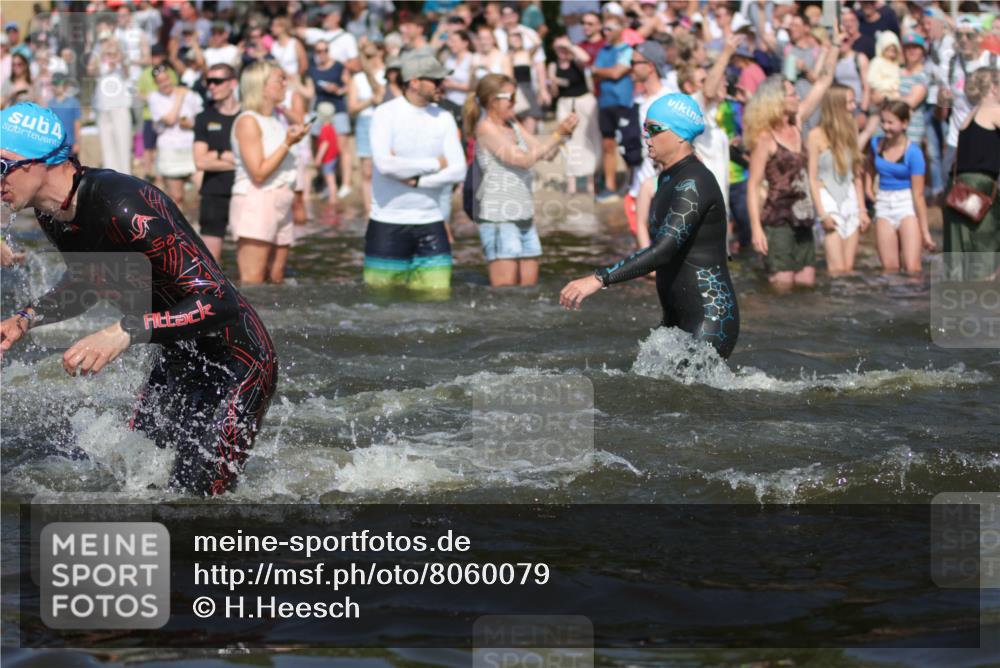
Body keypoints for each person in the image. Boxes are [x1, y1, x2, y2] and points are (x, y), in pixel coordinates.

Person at [0, 102, 276, 497]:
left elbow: (219, 299)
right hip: (176, 355)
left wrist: (124, 331)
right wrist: (25, 318)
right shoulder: (52, 214)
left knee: (197, 507)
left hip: (237, 362)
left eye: (0, 166)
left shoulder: (124, 205)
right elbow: (92, 283)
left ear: (38, 162)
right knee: (140, 485)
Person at [559, 93, 739, 359]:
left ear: (679, 134)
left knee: (690, 398)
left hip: (710, 319)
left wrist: (600, 278)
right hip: (675, 318)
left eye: (654, 129)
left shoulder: (694, 182)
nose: (646, 136)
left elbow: (664, 250)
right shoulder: (668, 177)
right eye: (645, 128)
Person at [464, 74, 578, 287]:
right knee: (506, 294)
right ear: (492, 100)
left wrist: (564, 133)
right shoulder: (485, 128)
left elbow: (546, 154)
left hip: (523, 215)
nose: (516, 102)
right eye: (511, 97)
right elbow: (523, 160)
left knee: (528, 292)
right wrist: (556, 134)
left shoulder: (513, 124)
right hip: (498, 218)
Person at [366, 54, 466, 293]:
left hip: (431, 221)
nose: (443, 85)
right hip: (387, 221)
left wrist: (418, 181)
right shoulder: (385, 113)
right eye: (436, 80)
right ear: (413, 82)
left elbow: (459, 169)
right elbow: (385, 165)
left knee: (437, 299)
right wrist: (436, 163)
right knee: (380, 301)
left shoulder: (443, 117)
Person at [746, 43, 837, 290]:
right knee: (782, 284)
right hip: (778, 220)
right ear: (776, 100)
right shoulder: (765, 138)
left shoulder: (797, 123)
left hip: (805, 217)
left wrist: (835, 44)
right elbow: (753, 186)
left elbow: (823, 83)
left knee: (807, 283)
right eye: (792, 94)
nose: (798, 97)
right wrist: (756, 229)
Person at [230, 61, 309, 284]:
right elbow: (259, 172)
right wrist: (288, 143)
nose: (285, 84)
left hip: (282, 199)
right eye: (279, 80)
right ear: (262, 86)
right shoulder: (248, 121)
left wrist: (293, 140)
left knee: (276, 279)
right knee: (253, 281)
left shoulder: (274, 120)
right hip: (257, 200)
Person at [865, 99, 934, 274]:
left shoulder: (914, 153)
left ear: (904, 124)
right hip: (883, 203)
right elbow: (869, 167)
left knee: (912, 268)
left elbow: (918, 195)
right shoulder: (875, 144)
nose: (885, 127)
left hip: (906, 203)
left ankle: (912, 300)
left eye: (890, 122)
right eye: (883, 121)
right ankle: (889, 301)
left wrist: (925, 233)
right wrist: (868, 188)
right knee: (889, 269)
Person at [807, 84, 870, 275]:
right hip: (828, 201)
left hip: (850, 199)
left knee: (848, 270)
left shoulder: (852, 128)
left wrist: (862, 210)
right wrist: (822, 214)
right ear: (836, 105)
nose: (854, 106)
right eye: (850, 102)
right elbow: (811, 177)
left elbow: (857, 174)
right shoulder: (815, 135)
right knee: (836, 270)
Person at [943, 67, 1000, 256]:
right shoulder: (993, 110)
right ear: (993, 87)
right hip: (980, 188)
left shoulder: (971, 114)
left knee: (962, 253)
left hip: (959, 190)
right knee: (985, 247)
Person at [193, 63, 239, 262]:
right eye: (208, 82)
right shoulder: (204, 118)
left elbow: (256, 160)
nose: (211, 86)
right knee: (211, 263)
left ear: (232, 83)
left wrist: (216, 155)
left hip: (244, 191)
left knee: (251, 265)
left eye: (217, 81)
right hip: (213, 192)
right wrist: (232, 157)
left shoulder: (246, 116)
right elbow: (200, 161)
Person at [625, 41, 670, 237]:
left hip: (659, 192)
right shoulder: (637, 100)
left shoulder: (668, 101)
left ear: (650, 66)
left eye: (634, 62)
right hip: (637, 189)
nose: (630, 67)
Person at [550, 34, 600, 195]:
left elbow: (586, 58)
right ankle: (572, 183)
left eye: (564, 47)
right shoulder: (552, 66)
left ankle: (590, 183)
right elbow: (554, 92)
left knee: (588, 140)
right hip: (565, 104)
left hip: (583, 102)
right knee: (568, 142)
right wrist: (553, 84)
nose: (562, 51)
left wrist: (570, 46)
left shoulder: (576, 62)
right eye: (559, 48)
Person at [148, 66, 202, 209]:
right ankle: (180, 229)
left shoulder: (190, 95)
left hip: (190, 148)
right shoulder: (155, 98)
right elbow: (170, 119)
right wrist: (179, 97)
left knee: (202, 189)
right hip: (170, 151)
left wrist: (190, 124)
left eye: (166, 79)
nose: (165, 83)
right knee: (177, 197)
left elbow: (200, 119)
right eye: (160, 81)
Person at [593, 14, 633, 202]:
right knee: (608, 145)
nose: (605, 32)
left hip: (623, 103)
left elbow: (617, 73)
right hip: (605, 103)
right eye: (604, 29)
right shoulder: (604, 50)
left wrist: (602, 72)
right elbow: (596, 72)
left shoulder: (628, 50)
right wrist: (606, 72)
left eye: (609, 28)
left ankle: (631, 184)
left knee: (628, 145)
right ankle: (610, 186)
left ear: (620, 30)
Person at [347, 41, 387, 219]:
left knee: (384, 168)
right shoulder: (357, 79)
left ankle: (384, 205)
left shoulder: (387, 74)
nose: (369, 60)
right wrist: (370, 100)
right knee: (367, 170)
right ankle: (368, 210)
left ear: (381, 53)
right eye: (366, 56)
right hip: (365, 123)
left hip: (384, 123)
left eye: (372, 56)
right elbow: (352, 107)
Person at [88, 37, 132, 174]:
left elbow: (127, 69)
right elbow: (90, 69)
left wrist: (119, 55)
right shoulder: (100, 66)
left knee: (123, 146)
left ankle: (126, 176)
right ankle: (111, 176)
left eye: (113, 53)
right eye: (108, 53)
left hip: (120, 108)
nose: (111, 56)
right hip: (103, 109)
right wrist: (101, 51)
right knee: (107, 148)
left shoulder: (122, 66)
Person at [313, 101, 340, 207]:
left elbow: (325, 144)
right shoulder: (332, 127)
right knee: (330, 177)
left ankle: (333, 199)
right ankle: (331, 195)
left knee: (330, 178)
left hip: (328, 158)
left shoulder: (324, 129)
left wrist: (318, 158)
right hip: (333, 156)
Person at [47, 74, 80, 158]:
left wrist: (77, 142)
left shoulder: (73, 102)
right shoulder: (50, 104)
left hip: (70, 144)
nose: (56, 86)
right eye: (54, 84)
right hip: (55, 144)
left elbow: (77, 123)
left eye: (58, 83)